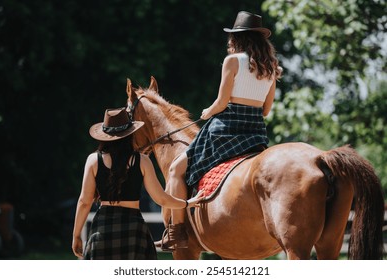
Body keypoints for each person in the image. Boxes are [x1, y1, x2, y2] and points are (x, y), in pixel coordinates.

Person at [157, 11, 282, 251]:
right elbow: (266, 110)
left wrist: (208, 110)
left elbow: (222, 103)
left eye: (232, 37)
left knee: (176, 169)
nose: (229, 42)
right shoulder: (271, 66)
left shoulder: (232, 61)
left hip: (226, 128)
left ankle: (177, 232)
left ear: (239, 39)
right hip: (255, 132)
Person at [72, 107, 204, 260]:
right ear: (130, 134)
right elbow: (161, 199)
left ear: (105, 135)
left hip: (103, 229)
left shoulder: (93, 160)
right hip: (134, 230)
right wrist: (187, 203)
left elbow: (84, 202)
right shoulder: (142, 161)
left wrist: (76, 235)